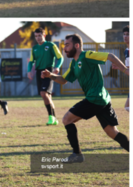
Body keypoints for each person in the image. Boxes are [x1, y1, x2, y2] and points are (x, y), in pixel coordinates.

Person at [42, 34, 129, 162]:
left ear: (76, 46)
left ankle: (77, 155)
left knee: (67, 119)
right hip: (102, 99)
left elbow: (110, 56)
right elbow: (64, 80)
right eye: (64, 45)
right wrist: (50, 76)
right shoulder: (74, 63)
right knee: (112, 132)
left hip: (95, 98)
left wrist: (126, 70)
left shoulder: (87, 55)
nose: (64, 48)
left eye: (67, 45)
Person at [27, 28, 64, 125]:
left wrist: (57, 67)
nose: (38, 38)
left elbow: (60, 58)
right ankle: (54, 118)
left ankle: (51, 117)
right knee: (46, 96)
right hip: (39, 72)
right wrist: (29, 71)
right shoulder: (34, 48)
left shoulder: (50, 45)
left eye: (39, 35)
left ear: (44, 35)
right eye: (36, 36)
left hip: (48, 71)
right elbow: (31, 62)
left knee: (44, 93)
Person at [123, 26, 130, 112]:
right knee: (127, 107)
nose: (125, 36)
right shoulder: (126, 51)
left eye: (128, 34)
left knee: (127, 106)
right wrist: (119, 67)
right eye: (124, 34)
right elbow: (128, 70)